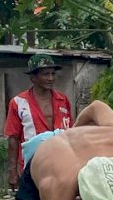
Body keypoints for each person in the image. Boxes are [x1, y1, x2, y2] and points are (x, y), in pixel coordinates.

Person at [5, 53, 73, 190]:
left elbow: (71, 132)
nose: (51, 78)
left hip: (61, 161)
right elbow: (13, 137)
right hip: (33, 163)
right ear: (33, 78)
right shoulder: (18, 103)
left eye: (53, 74)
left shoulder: (63, 100)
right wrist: (12, 172)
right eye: (45, 74)